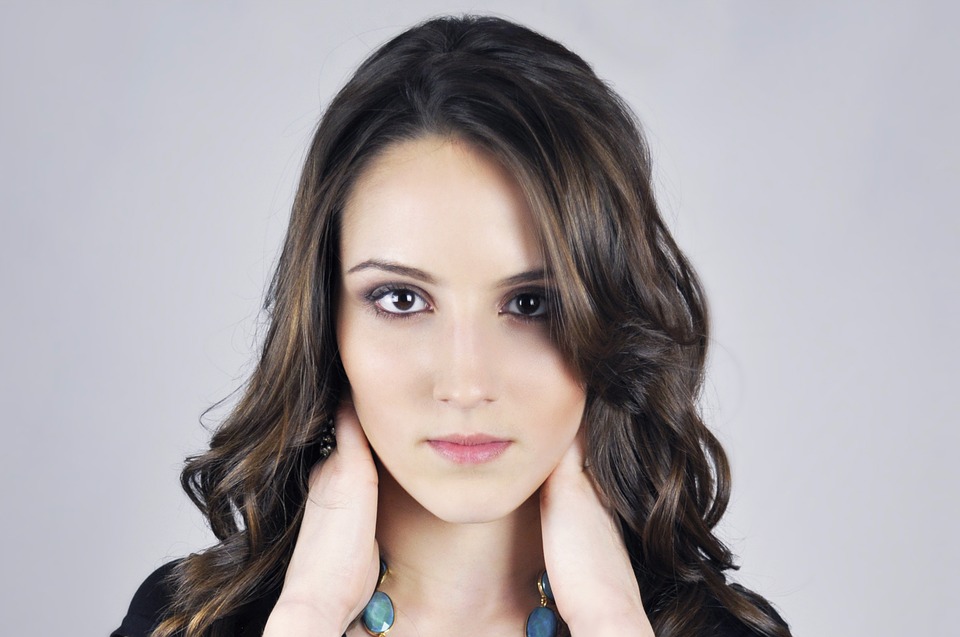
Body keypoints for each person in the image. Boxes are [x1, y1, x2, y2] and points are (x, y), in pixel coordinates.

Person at [113, 14, 790, 637]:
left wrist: (613, 619)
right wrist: (309, 612)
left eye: (532, 304)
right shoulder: (186, 622)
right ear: (326, 322)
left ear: (610, 317)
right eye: (402, 300)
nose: (466, 383)